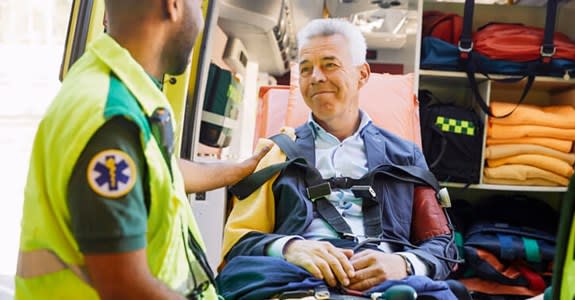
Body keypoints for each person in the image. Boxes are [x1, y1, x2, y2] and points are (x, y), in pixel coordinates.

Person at [15, 0, 269, 299]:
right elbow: (124, 287)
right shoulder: (110, 119)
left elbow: (161, 173)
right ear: (173, 5)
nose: (200, 23)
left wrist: (240, 169)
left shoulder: (120, 91)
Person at [220, 18, 458, 297]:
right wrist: (291, 247)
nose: (316, 77)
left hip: (390, 281)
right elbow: (239, 242)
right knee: (238, 277)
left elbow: (443, 245)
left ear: (362, 75)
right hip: (296, 277)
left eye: (329, 64)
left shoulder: (405, 155)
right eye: (306, 69)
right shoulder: (276, 152)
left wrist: (403, 263)